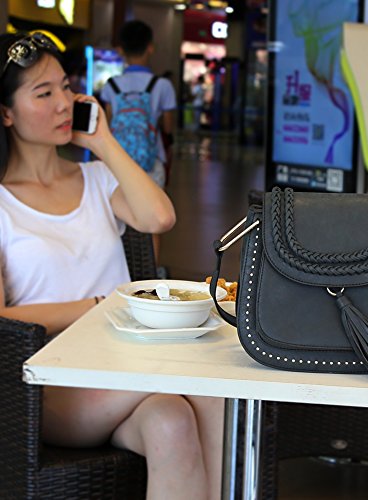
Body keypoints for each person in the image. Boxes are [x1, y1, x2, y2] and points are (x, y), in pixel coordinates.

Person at [0, 32, 223, 500]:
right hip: (51, 384)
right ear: (6, 113)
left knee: (171, 423)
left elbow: (159, 218)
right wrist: (100, 307)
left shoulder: (97, 178)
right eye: (44, 93)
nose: (64, 103)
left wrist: (102, 141)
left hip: (127, 363)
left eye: (66, 87)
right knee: (209, 387)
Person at [100, 20, 176, 260]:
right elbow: (168, 127)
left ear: (121, 49)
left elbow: (107, 125)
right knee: (153, 218)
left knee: (116, 216)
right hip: (151, 161)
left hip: (116, 162)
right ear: (150, 47)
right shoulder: (162, 86)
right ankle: (150, 271)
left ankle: (120, 267)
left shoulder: (111, 86)